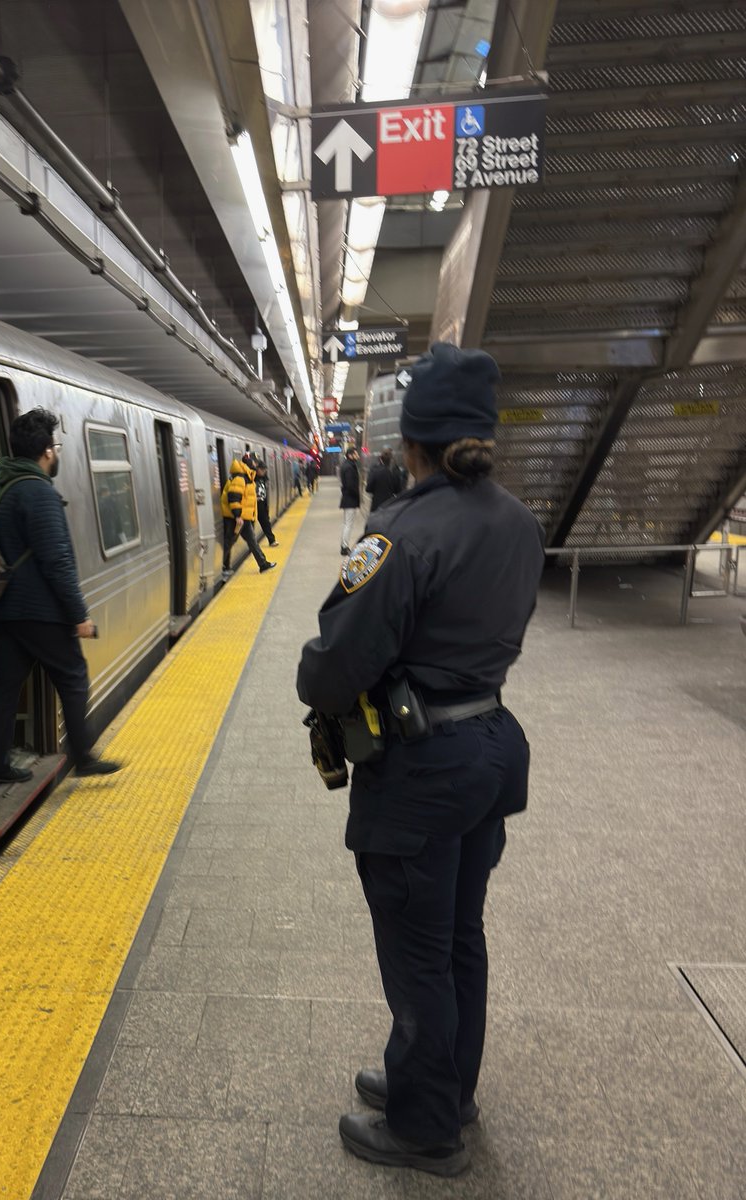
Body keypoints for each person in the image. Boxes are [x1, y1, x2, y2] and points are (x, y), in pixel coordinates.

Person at [296, 343, 545, 1178]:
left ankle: (424, 1127)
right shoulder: (520, 522)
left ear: (414, 442)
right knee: (458, 937)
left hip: (423, 769)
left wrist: (313, 669)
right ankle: (444, 1086)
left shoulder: (400, 534)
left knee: (415, 951)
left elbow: (337, 666)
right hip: (489, 752)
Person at [0, 408, 121, 784]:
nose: (56, 453)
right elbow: (56, 561)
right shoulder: (38, 492)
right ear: (46, 451)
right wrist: (79, 616)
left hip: (8, 609)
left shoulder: (6, 486)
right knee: (73, 675)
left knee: (5, 685)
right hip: (41, 612)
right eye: (55, 446)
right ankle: (84, 755)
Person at [220, 454, 276, 578]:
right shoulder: (240, 478)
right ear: (250, 464)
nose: (256, 465)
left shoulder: (247, 477)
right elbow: (234, 497)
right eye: (255, 463)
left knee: (251, 541)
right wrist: (237, 516)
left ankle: (263, 564)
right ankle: (220, 568)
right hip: (236, 518)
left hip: (243, 518)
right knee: (230, 542)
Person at [339, 447, 362, 555]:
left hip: (348, 498)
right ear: (350, 455)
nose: (357, 456)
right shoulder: (349, 467)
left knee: (346, 523)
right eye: (356, 454)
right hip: (350, 499)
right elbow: (350, 485)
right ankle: (344, 547)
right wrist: (357, 495)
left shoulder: (347, 465)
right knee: (348, 524)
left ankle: (344, 545)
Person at [252, 459, 278, 548]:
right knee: (251, 526)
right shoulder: (251, 478)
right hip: (254, 505)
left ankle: (272, 540)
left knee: (266, 522)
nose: (264, 471)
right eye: (262, 469)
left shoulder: (263, 478)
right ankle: (252, 544)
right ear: (257, 469)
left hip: (262, 503)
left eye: (265, 470)